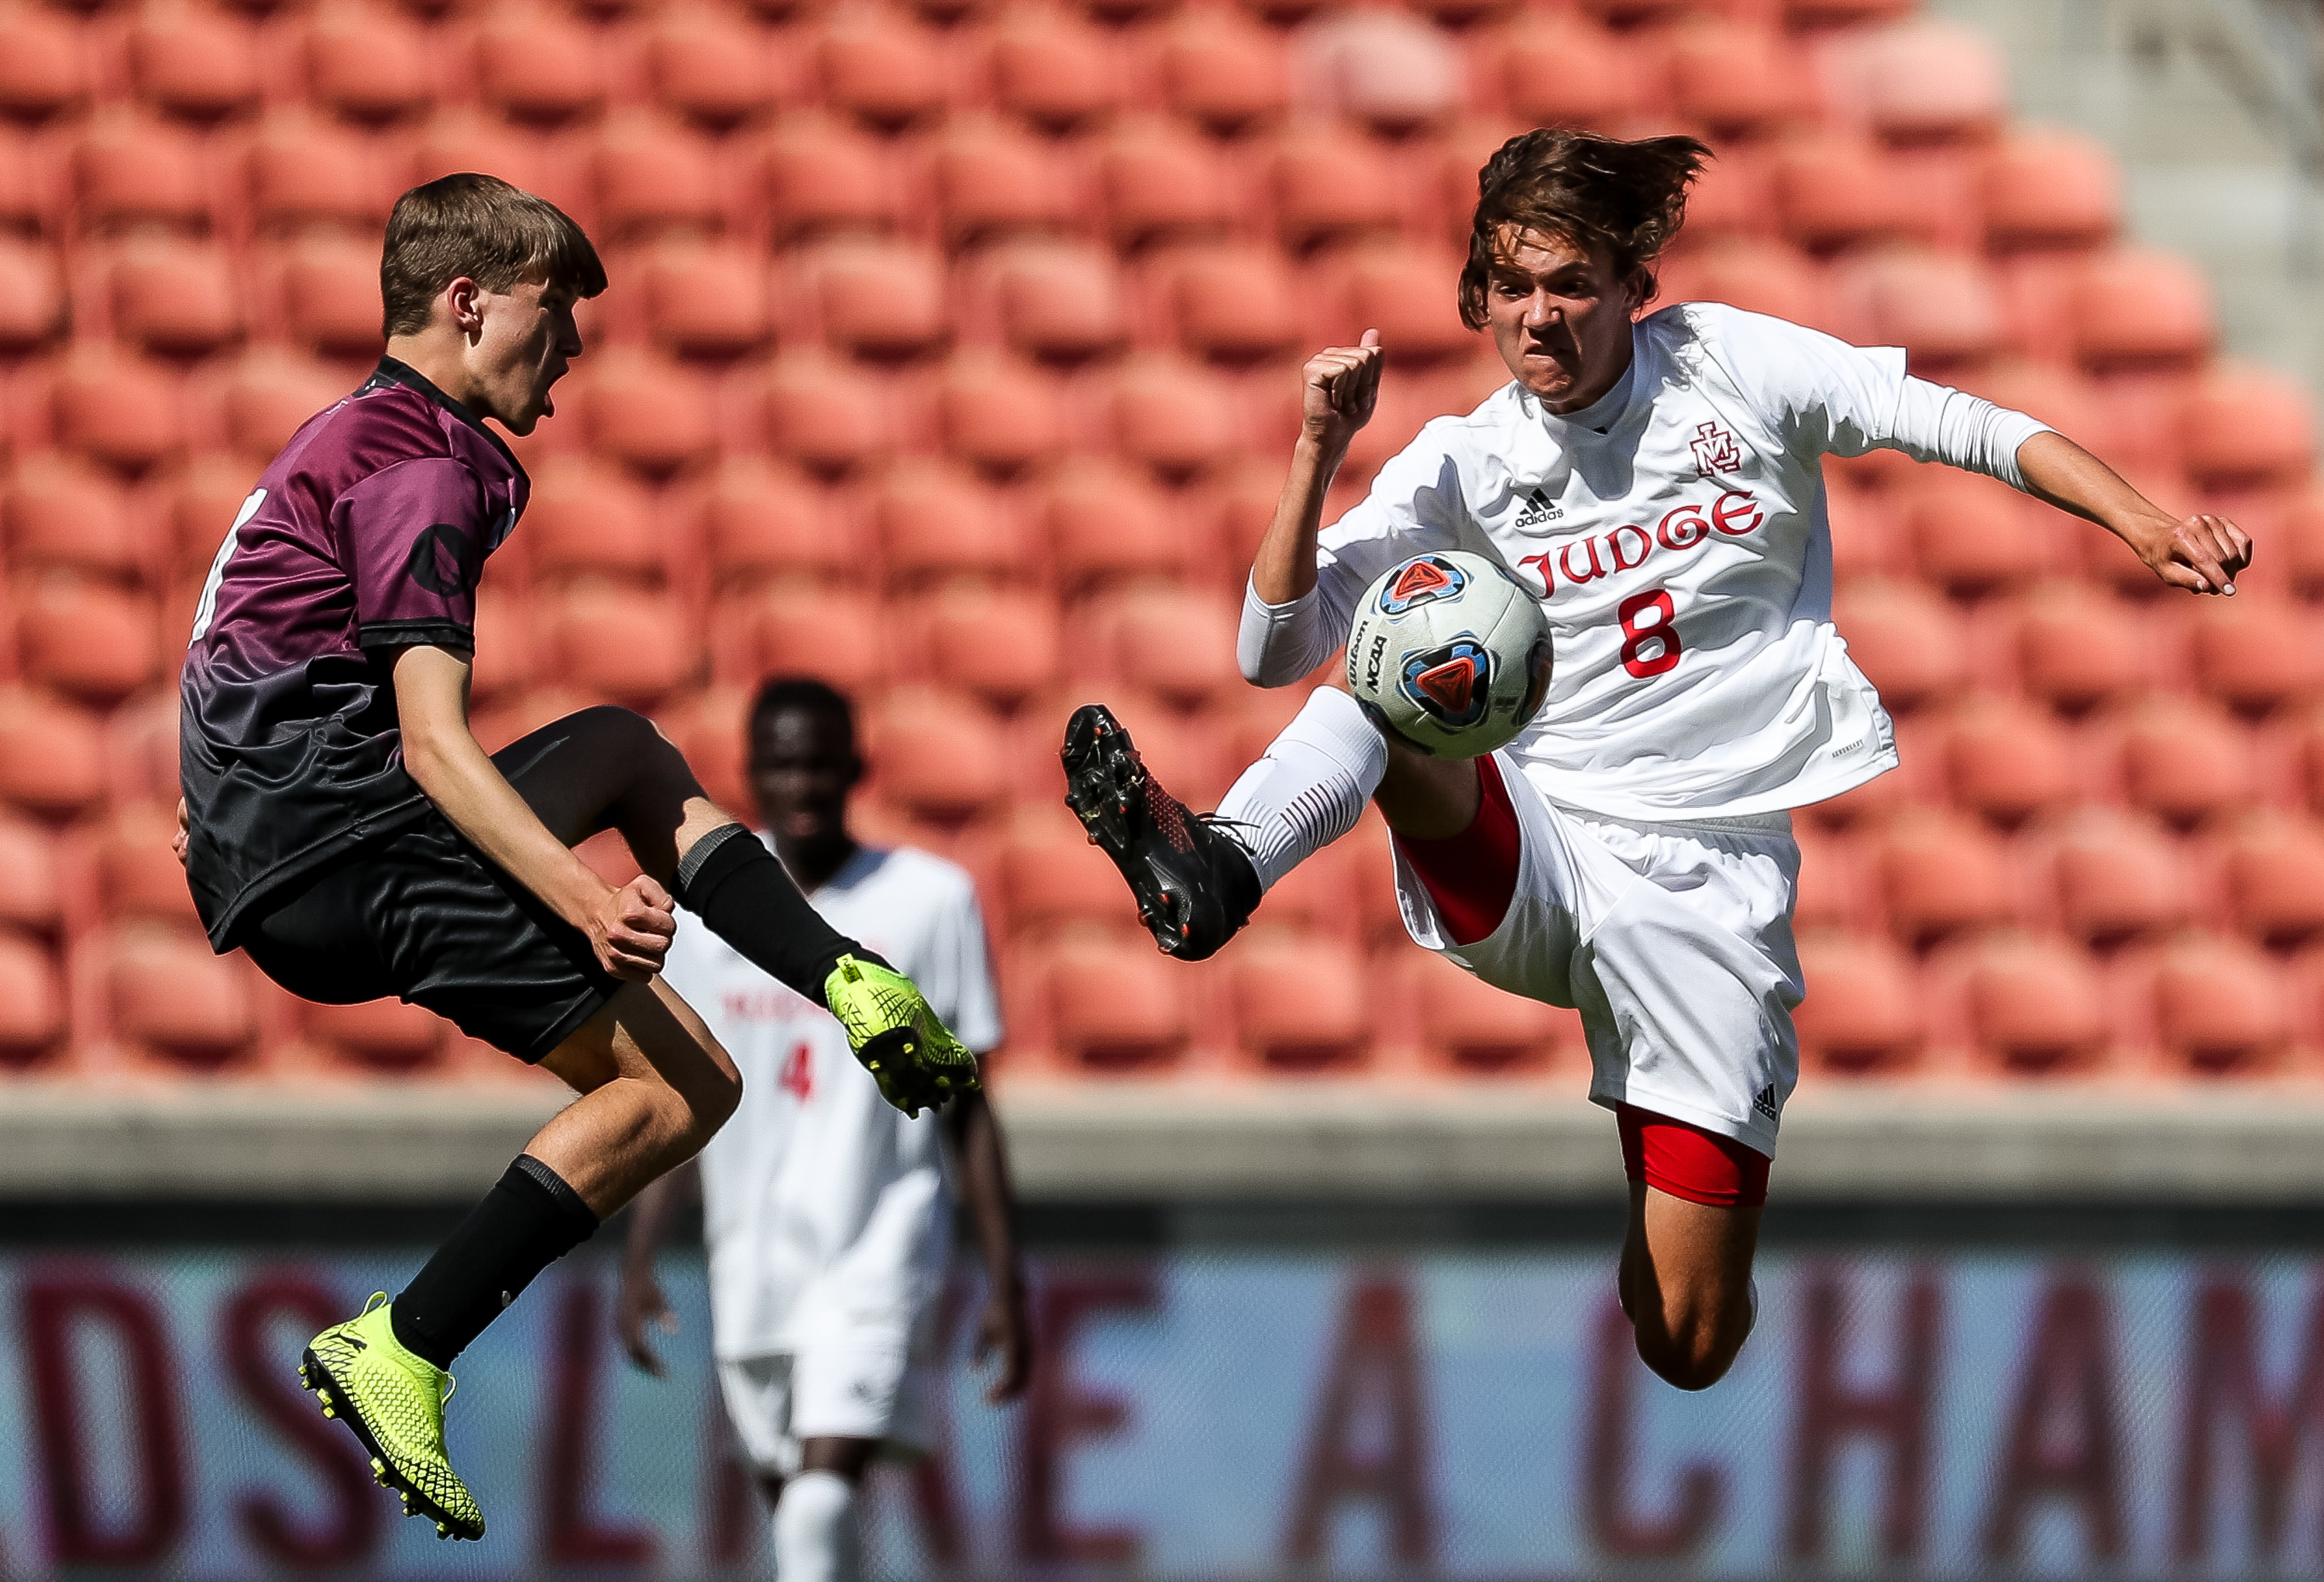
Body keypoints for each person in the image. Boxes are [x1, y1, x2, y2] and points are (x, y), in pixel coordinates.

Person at [1061, 129, 2254, 1394]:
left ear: (1636, 284)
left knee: (1686, 1340)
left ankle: (1653, 1165)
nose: (1540, 315)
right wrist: (1315, 452)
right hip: (1543, 850)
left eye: (1571, 283)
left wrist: (2144, 518)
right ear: (1478, 298)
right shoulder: (1463, 462)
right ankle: (1227, 863)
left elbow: (1953, 421)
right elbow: (1268, 651)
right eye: (1513, 287)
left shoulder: (1729, 366)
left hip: (1712, 885)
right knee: (1393, 653)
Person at [174, 174, 977, 1542]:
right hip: (345, 847)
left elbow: (235, 663)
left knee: (617, 748)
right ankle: (407, 1343)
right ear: (467, 302)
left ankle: (846, 979)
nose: (578, 350)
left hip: (283, 851)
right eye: (557, 316)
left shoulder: (346, 438)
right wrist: (584, 899)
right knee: (679, 1089)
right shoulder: (427, 463)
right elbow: (433, 744)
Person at [616, 676, 1030, 1582]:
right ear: (749, 775)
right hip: (754, 1257)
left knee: (817, 1503)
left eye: (818, 765)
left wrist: (1005, 1278)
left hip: (880, 1240)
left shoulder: (931, 902)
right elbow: (680, 1095)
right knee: (802, 1523)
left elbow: (972, 1106)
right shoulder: (701, 914)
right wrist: (641, 1250)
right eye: (781, 765)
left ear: (858, 769)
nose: (800, 785)